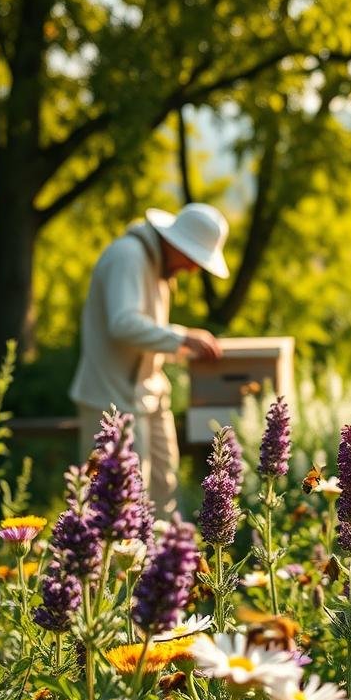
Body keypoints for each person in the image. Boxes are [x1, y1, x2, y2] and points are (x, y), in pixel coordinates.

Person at [70, 203, 229, 511]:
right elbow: (123, 324)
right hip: (111, 400)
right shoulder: (128, 256)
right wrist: (183, 338)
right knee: (119, 503)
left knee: (164, 491)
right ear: (176, 243)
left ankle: (169, 557)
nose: (193, 269)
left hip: (148, 396)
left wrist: (183, 349)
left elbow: (146, 338)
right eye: (194, 258)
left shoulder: (155, 266)